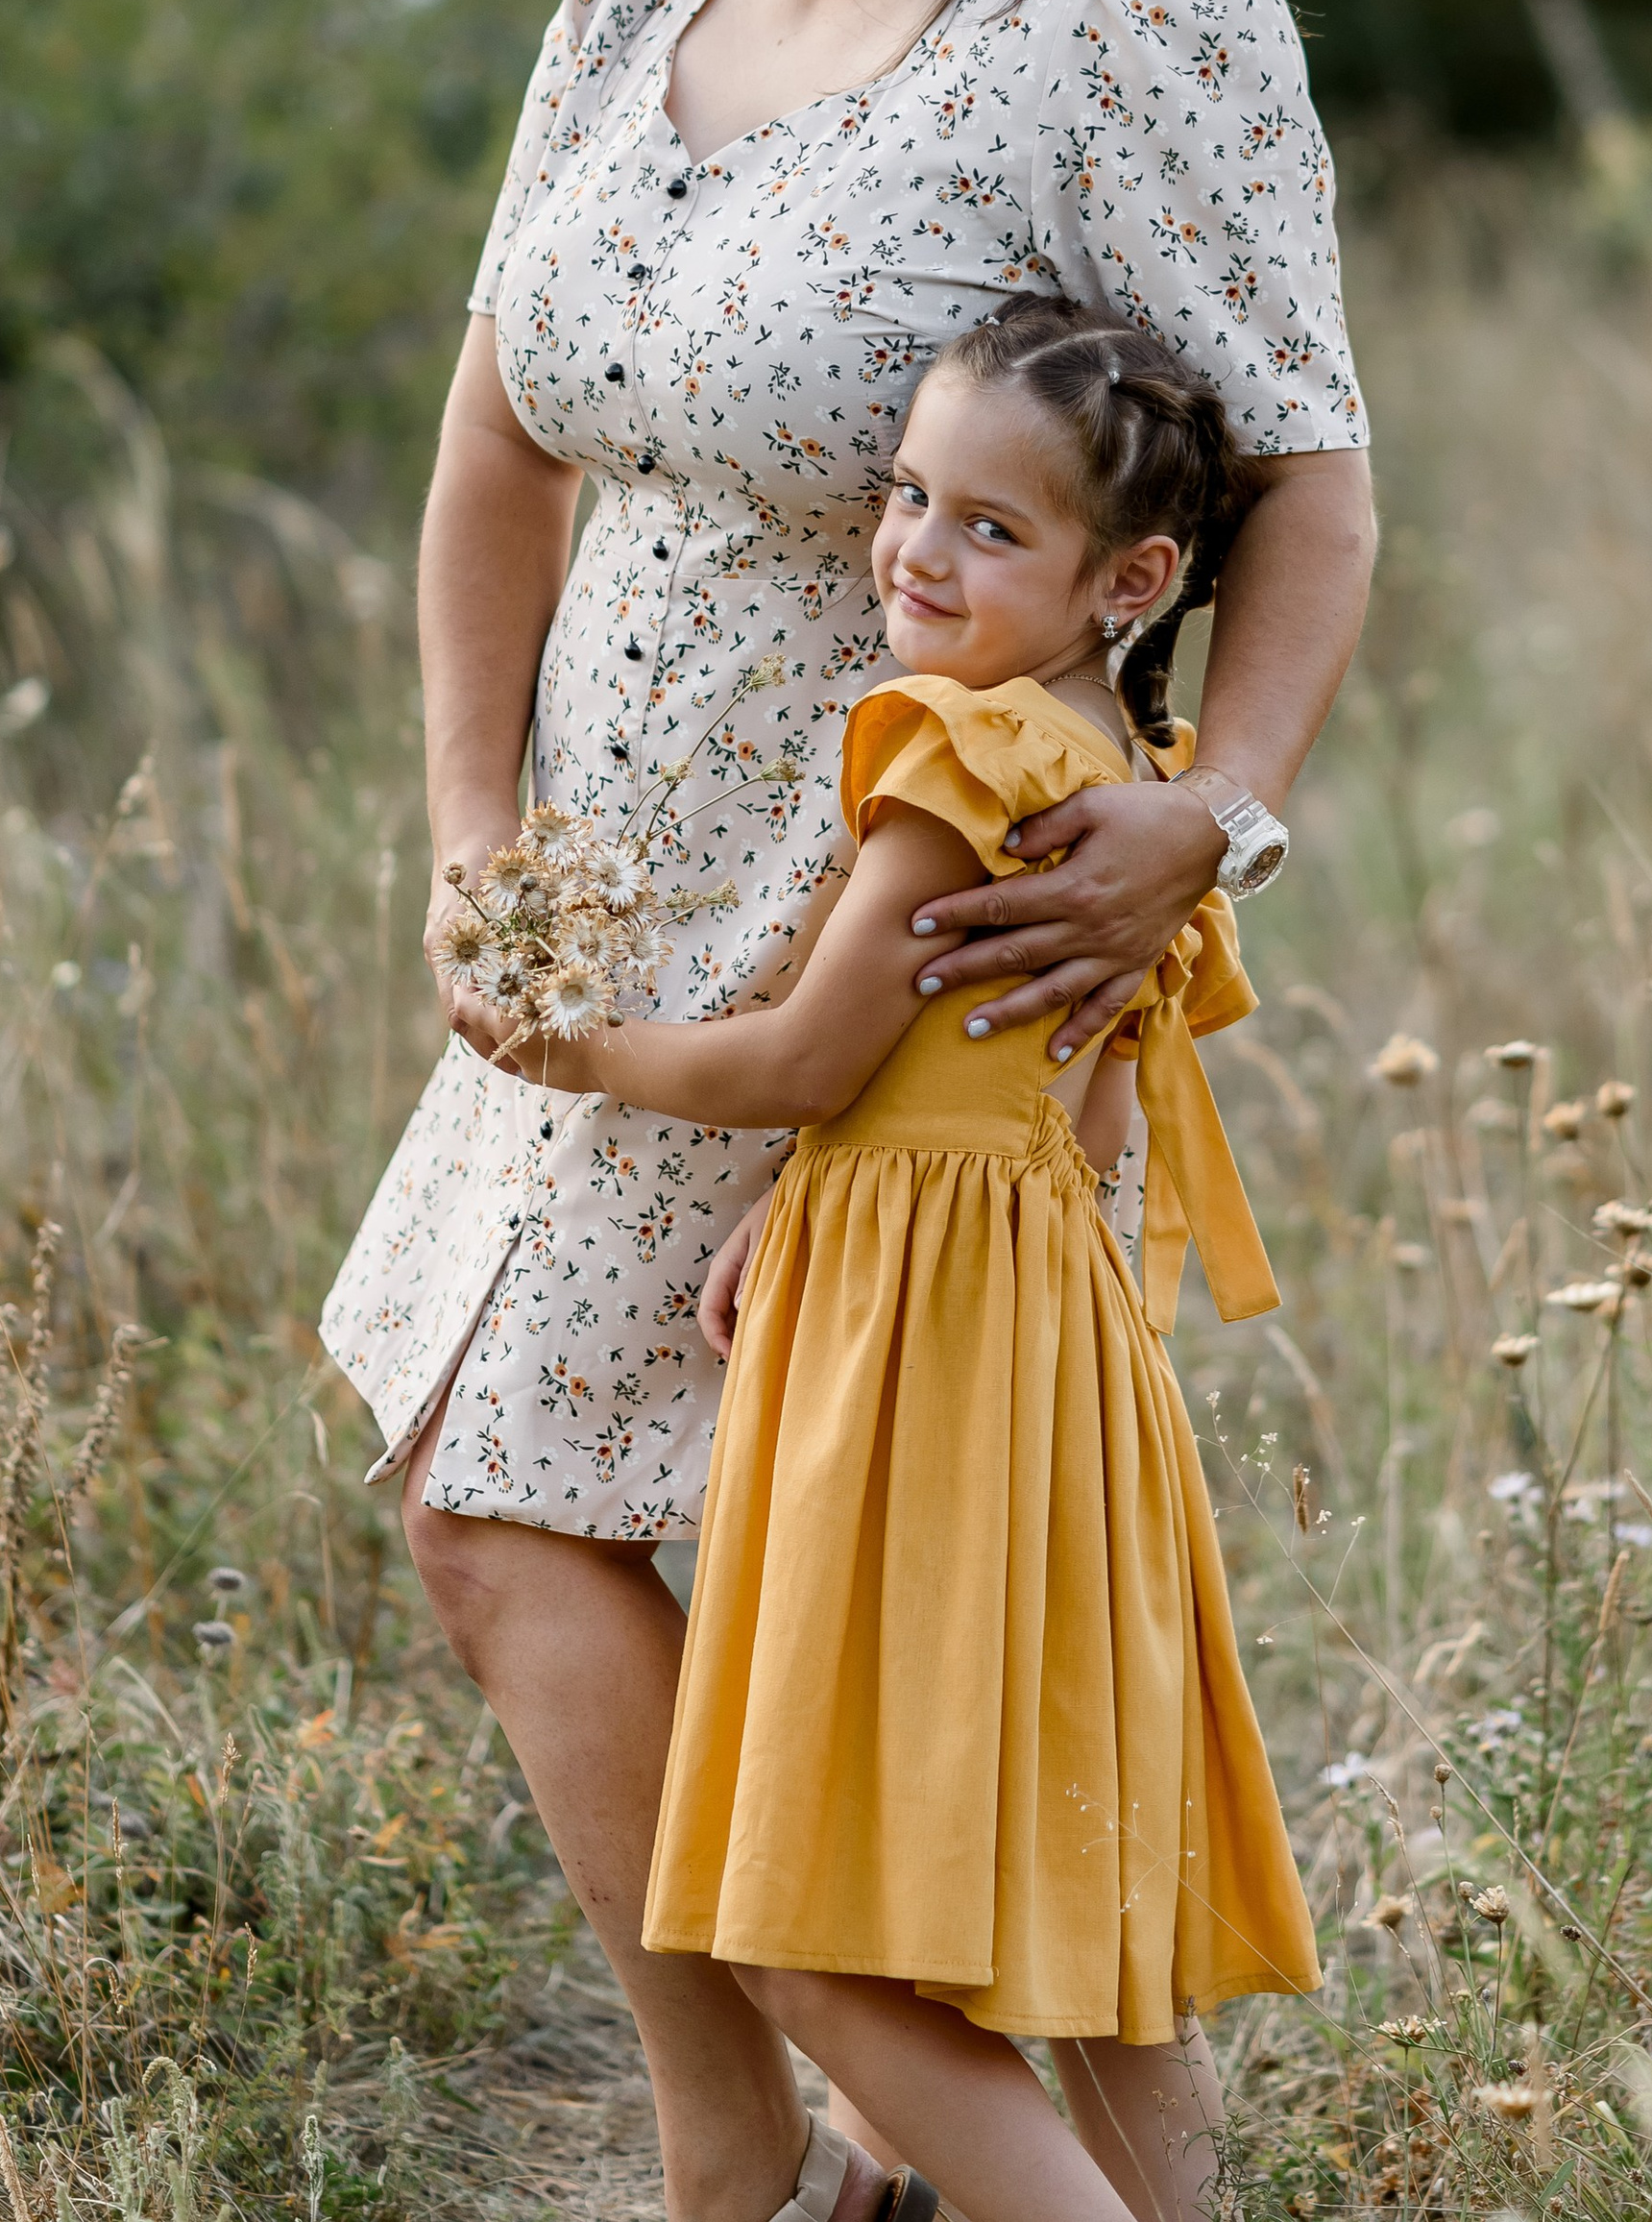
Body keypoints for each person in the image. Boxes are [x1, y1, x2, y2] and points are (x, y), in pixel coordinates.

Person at [320, 0, 1373, 2222]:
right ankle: (777, 2155)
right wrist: (466, 821)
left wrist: (1219, 815)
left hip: (886, 916)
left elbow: (1315, 471)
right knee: (511, 1490)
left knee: (734, 1562)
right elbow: (498, 436)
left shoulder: (1131, 7)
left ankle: (805, 2164)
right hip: (596, 894)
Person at [479, 294, 1321, 2222]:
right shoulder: (1134, 785)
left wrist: (567, 1042)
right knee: (1085, 1895)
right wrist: (840, 1176)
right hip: (1051, 1334)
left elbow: (795, 1055)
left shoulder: (952, 753)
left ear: (1132, 573)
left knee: (792, 1918)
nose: (915, 551)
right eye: (904, 494)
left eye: (987, 528)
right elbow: (1077, 1102)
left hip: (912, 1348)